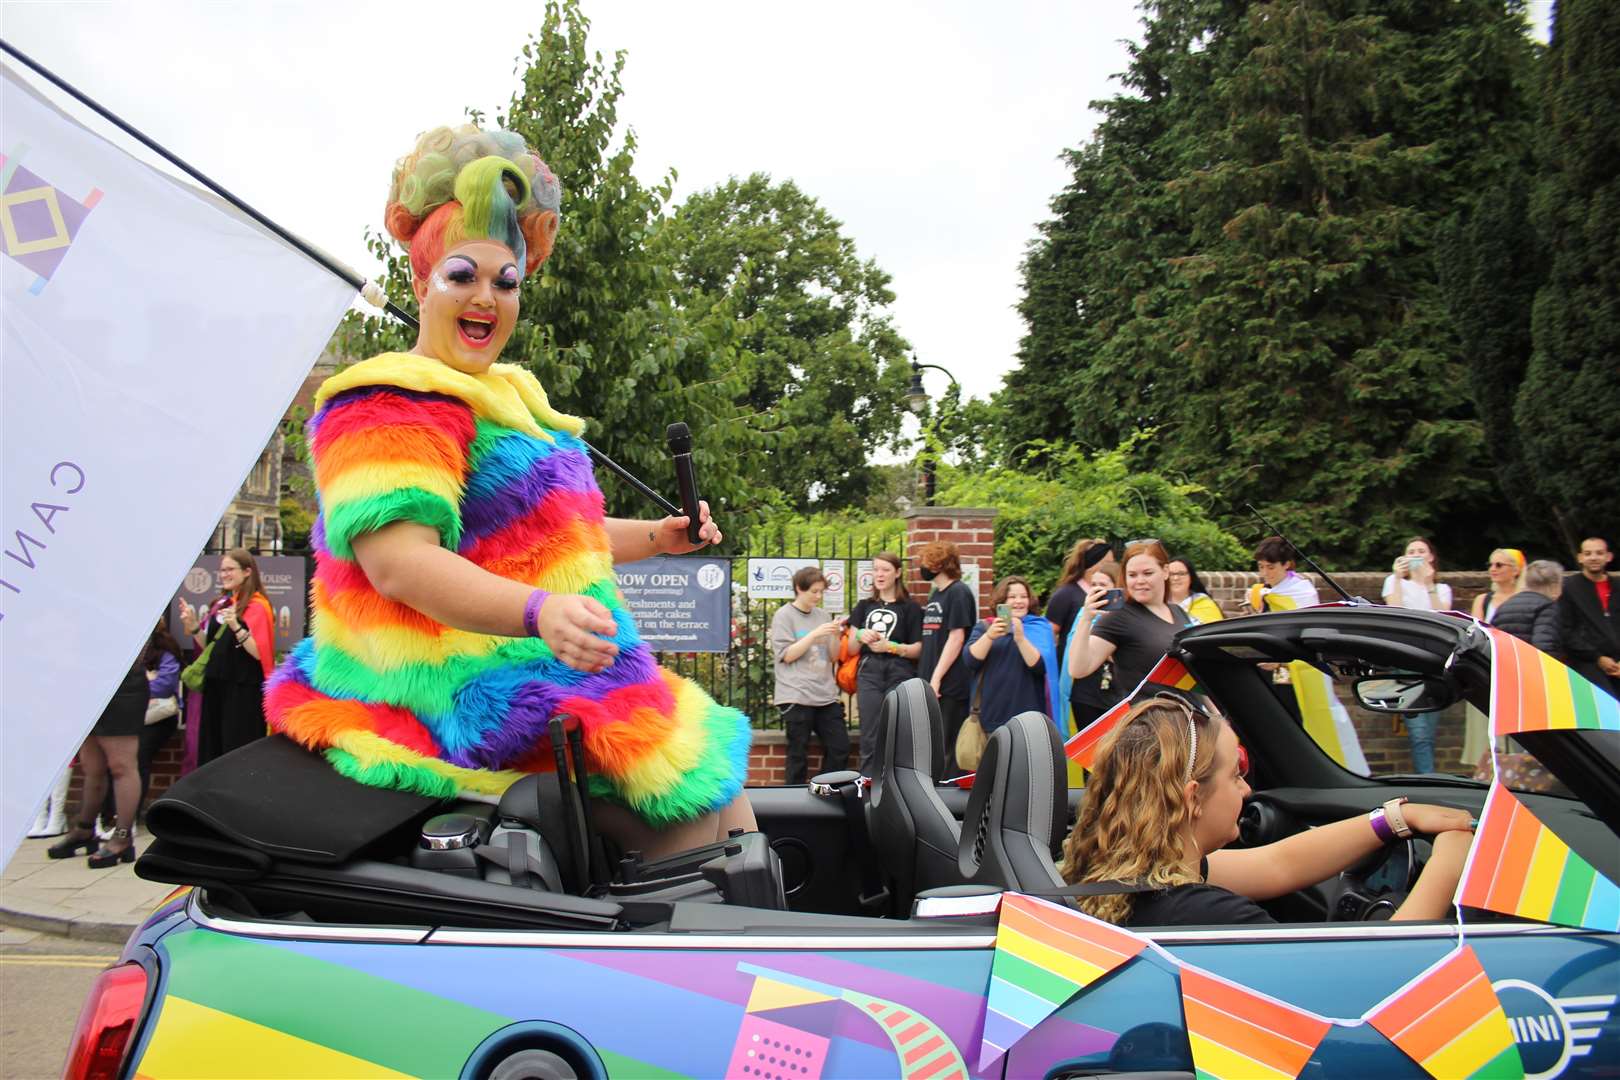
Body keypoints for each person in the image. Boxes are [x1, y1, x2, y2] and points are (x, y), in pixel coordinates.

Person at [263, 125, 753, 856]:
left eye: (506, 281)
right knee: (678, 814)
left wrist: (657, 536)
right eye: (463, 275)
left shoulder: (510, 399)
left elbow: (554, 542)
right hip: (438, 684)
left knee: (724, 790)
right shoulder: (387, 403)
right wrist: (538, 612)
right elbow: (400, 566)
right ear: (421, 281)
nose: (485, 297)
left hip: (540, 660)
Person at [1058, 696, 1474, 927]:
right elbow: (1383, 975)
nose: (1247, 789)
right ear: (1192, 799)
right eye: (1235, 775)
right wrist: (1450, 859)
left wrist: (1393, 820)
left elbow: (1279, 864)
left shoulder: (1121, 878)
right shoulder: (1210, 919)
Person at [1245, 536, 1369, 774]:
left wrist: (1283, 660)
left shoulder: (1301, 592)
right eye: (1261, 567)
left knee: (1309, 724)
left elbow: (1305, 633)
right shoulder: (1262, 593)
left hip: (1297, 669)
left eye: (1270, 567)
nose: (1265, 573)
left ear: (1287, 564)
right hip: (1272, 675)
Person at [47, 650, 150, 868]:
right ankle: (84, 831)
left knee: (121, 766)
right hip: (88, 681)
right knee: (92, 766)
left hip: (123, 684)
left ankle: (122, 837)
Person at [179, 549, 274, 767]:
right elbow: (212, 647)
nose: (224, 574)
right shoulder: (221, 604)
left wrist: (236, 626)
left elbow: (260, 652)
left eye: (230, 569)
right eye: (222, 570)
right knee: (213, 750)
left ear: (247, 572)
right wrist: (194, 627)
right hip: (216, 687)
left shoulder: (258, 606)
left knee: (236, 750)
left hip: (241, 690)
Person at [1068, 540, 1190, 700]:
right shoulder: (1119, 617)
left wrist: (1216, 716)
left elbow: (1192, 675)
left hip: (1190, 716)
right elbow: (1079, 669)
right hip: (1150, 719)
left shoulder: (1179, 612)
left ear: (1165, 571)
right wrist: (1086, 619)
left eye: (1147, 573)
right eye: (1132, 575)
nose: (1139, 581)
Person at [1380, 538, 1454, 774]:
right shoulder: (1393, 582)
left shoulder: (1442, 589)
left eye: (1421, 551)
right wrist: (1399, 578)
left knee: (1429, 732)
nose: (1415, 555)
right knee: (1419, 731)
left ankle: (1428, 777)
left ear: (1431, 557)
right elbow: (1395, 613)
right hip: (1406, 661)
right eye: (1410, 552)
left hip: (1434, 662)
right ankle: (1429, 779)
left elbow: (1443, 618)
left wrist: (1429, 582)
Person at [770, 567, 849, 784]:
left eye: (821, 592)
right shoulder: (784, 615)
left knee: (840, 747)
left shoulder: (822, 615)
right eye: (814, 591)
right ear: (799, 589)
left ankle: (826, 790)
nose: (818, 596)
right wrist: (814, 634)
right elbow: (787, 655)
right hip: (796, 694)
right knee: (798, 754)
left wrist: (834, 635)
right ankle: (794, 805)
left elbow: (833, 657)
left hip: (825, 694)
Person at [847, 553, 922, 775]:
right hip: (869, 671)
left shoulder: (910, 608)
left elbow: (918, 649)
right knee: (870, 733)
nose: (879, 574)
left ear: (897, 573)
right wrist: (861, 634)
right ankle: (868, 785)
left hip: (899, 671)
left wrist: (891, 647)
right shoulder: (864, 606)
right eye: (876, 569)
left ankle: (896, 785)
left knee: (897, 730)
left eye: (885, 570)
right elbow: (851, 648)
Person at [964, 576, 1057, 735]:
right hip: (992, 715)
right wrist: (989, 636)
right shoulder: (985, 626)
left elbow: (1040, 666)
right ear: (1001, 601)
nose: (1018, 601)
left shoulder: (1039, 627)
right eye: (1012, 597)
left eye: (1023, 596)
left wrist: (1020, 638)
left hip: (1029, 718)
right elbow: (970, 660)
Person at [916, 541, 979, 773]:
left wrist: (937, 678)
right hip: (933, 679)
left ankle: (948, 797)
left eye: (926, 562)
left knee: (947, 744)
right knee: (933, 743)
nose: (922, 567)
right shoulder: (937, 594)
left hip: (950, 683)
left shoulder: (959, 592)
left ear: (938, 564)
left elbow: (956, 638)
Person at [1047, 539, 1119, 729]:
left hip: (1113, 688)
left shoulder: (1124, 611)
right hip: (1081, 683)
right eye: (1106, 561)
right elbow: (1050, 633)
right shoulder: (1067, 594)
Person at [1559, 537, 1618, 700]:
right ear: (1580, 558)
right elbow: (1566, 630)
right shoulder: (1570, 588)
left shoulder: (1617, 587)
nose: (1593, 557)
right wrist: (1597, 658)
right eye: (1588, 553)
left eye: (1599, 553)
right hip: (1587, 665)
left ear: (1609, 556)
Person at [1493, 560, 1564, 656]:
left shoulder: (1505, 606)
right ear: (1554, 585)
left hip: (1508, 664)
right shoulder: (1547, 607)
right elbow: (1544, 646)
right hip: (1531, 666)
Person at [1470, 548, 1525, 623]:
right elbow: (1477, 631)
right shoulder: (1482, 600)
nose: (1492, 569)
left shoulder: (1526, 599)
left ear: (1515, 570)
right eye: (1490, 565)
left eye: (1499, 565)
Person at [1166, 556, 1223, 625]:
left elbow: (1215, 631)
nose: (1176, 578)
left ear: (1191, 577)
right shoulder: (1158, 604)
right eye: (1171, 574)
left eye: (1181, 574)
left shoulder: (1204, 603)